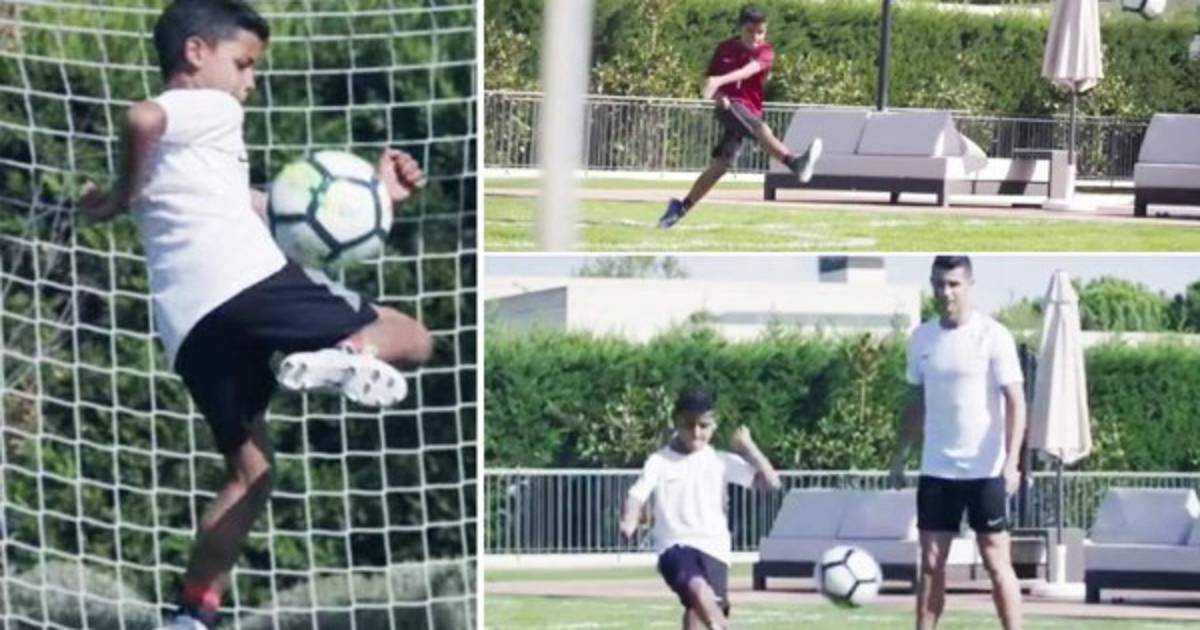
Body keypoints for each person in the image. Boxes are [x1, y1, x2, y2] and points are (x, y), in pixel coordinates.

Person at [76, 1, 432, 627]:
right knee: (411, 337)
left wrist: (377, 198)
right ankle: (345, 355)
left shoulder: (187, 156)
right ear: (195, 53)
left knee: (251, 474)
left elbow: (275, 211)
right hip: (244, 279)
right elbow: (141, 116)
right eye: (243, 64)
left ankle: (192, 614)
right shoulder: (211, 108)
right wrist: (116, 201)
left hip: (189, 326)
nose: (251, 81)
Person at [889, 256, 1027, 630]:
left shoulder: (993, 335)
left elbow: (1016, 402)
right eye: (939, 284)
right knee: (931, 562)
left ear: (969, 286)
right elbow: (915, 402)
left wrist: (1012, 462)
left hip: (985, 470)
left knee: (996, 561)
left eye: (953, 284)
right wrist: (900, 455)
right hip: (937, 469)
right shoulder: (921, 339)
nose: (945, 292)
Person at [619, 389, 781, 630]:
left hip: (715, 550)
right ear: (677, 422)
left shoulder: (720, 460)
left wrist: (749, 448)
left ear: (714, 425)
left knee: (697, 610)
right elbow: (637, 495)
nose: (696, 432)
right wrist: (629, 521)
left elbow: (772, 483)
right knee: (698, 588)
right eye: (689, 425)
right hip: (674, 547)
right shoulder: (659, 461)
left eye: (703, 426)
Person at [657, 4, 822, 229]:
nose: (755, 37)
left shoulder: (766, 52)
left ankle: (680, 208)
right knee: (759, 128)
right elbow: (709, 82)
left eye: (760, 32)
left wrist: (719, 81)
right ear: (740, 28)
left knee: (722, 165)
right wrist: (718, 94)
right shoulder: (724, 48)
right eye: (750, 31)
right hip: (729, 107)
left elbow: (747, 71)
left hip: (749, 109)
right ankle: (795, 163)